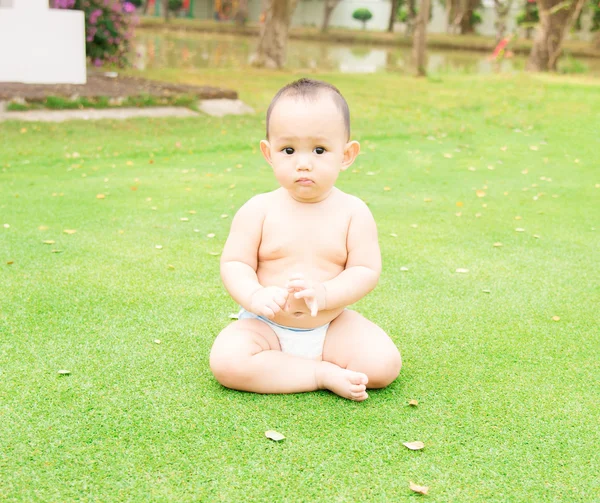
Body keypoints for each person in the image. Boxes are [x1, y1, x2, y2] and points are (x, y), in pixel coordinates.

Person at [209, 78, 401, 401]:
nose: (303, 163)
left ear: (346, 154)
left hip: (330, 327)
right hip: (265, 327)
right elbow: (235, 263)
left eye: (320, 150)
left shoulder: (354, 212)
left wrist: (325, 293)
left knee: (383, 364)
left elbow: (365, 270)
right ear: (269, 153)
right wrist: (254, 295)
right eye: (288, 150)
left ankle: (301, 365)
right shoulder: (258, 210)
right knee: (227, 360)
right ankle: (318, 373)